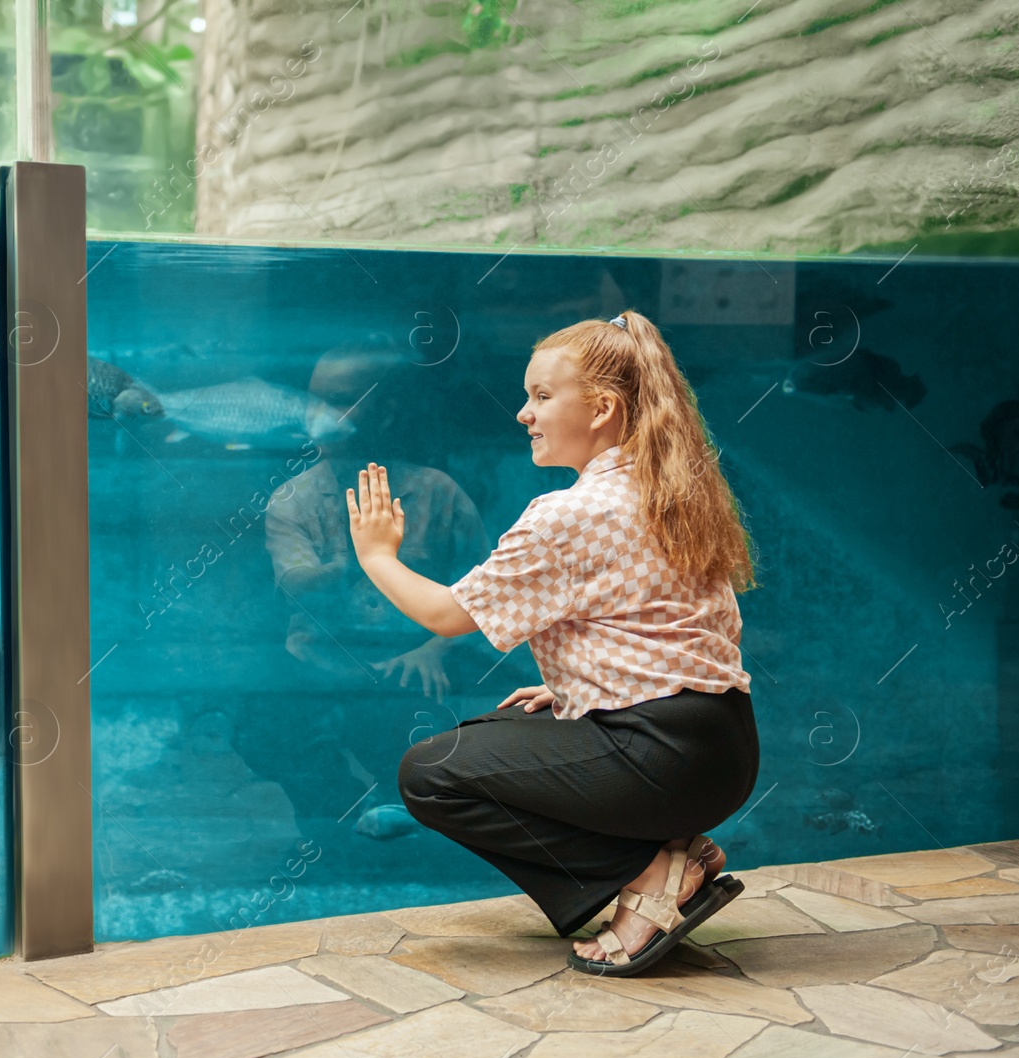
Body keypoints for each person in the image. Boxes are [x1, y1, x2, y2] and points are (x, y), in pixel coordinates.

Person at [346, 310, 759, 976]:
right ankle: (678, 848)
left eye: (541, 396)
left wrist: (377, 556)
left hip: (663, 757)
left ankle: (653, 873)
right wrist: (589, 684)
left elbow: (449, 615)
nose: (523, 413)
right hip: (722, 747)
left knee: (428, 776)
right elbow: (686, 626)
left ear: (601, 407)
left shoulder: (570, 513)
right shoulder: (673, 491)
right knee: (501, 728)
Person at [236, 339, 498, 841]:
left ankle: (415, 818)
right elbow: (295, 584)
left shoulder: (438, 493)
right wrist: (362, 559)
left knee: (433, 732)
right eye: (315, 398)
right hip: (320, 668)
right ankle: (339, 823)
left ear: (388, 406)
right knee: (262, 727)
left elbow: (488, 597)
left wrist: (434, 651)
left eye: (340, 398)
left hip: (415, 669)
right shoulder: (293, 498)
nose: (320, 414)